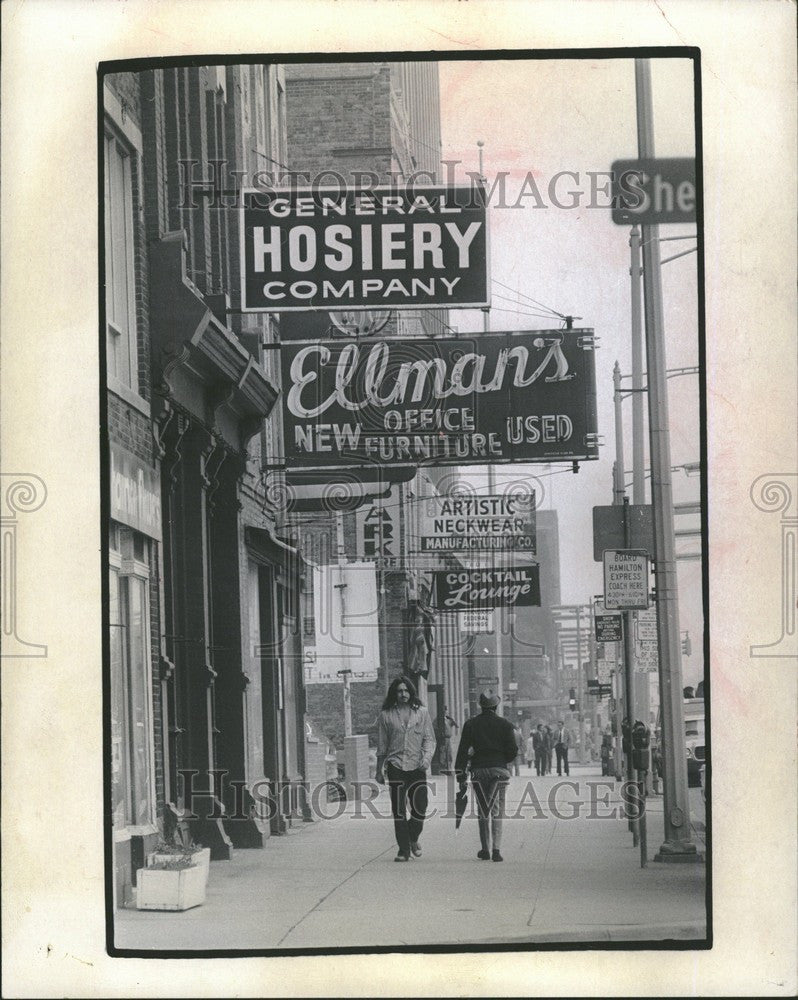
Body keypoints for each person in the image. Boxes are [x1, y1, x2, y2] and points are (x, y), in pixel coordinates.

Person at [375, 675, 436, 862]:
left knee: (420, 808)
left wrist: (426, 759)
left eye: (406, 691)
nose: (403, 694)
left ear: (411, 692)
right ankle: (403, 850)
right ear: (394, 693)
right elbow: (382, 745)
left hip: (417, 765)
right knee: (399, 810)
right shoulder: (386, 715)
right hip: (396, 765)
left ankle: (412, 837)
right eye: (399, 691)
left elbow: (429, 739)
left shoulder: (422, 713)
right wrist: (379, 770)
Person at [455, 690, 518, 862]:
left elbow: (462, 752)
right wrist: (500, 759)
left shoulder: (471, 725)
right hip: (499, 771)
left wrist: (460, 775)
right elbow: (513, 751)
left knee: (483, 809)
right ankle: (496, 850)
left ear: (481, 706)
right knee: (497, 810)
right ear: (496, 706)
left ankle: (485, 849)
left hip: (479, 771)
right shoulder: (505, 725)